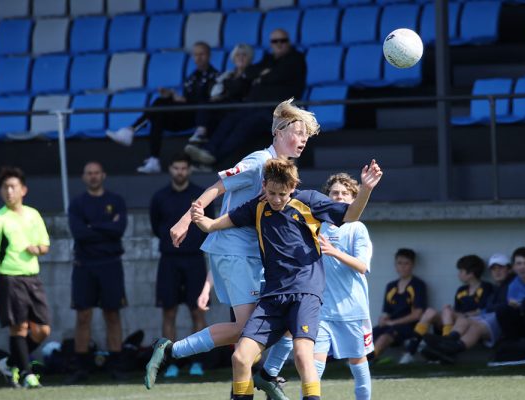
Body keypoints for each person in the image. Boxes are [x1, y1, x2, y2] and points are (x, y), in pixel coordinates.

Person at [144, 98, 320, 389]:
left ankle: (266, 374)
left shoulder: (281, 169)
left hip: (255, 255)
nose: (302, 140)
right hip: (234, 251)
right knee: (246, 330)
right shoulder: (257, 162)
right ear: (278, 132)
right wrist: (185, 220)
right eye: (298, 132)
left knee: (286, 316)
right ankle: (171, 349)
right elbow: (216, 187)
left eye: (306, 136)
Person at [189, 158, 383, 400]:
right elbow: (214, 224)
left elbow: (351, 215)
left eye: (283, 194)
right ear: (263, 186)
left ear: (293, 187)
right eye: (271, 193)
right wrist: (200, 219)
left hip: (305, 293)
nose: (277, 199)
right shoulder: (257, 206)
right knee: (240, 357)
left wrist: (366, 189)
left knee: (304, 356)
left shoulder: (309, 201)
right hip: (272, 296)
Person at [254, 172, 376, 400]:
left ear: (353, 198)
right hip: (321, 309)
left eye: (345, 193)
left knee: (358, 365)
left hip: (352, 311)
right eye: (334, 193)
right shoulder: (315, 223)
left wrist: (334, 252)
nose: (339, 197)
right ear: (327, 197)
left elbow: (362, 266)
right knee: (311, 364)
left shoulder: (356, 228)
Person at [184, 29, 307, 166]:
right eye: (275, 41)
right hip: (256, 106)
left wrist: (264, 76)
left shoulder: (296, 59)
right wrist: (264, 75)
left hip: (279, 112)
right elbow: (250, 71)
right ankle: (208, 151)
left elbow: (277, 76)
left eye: (282, 41)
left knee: (246, 123)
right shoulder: (269, 58)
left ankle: (214, 158)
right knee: (231, 117)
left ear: (288, 42)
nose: (279, 44)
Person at [107, 41, 219, 174]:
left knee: (160, 103)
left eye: (202, 54)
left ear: (209, 55)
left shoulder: (215, 76)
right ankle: (154, 160)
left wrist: (181, 99)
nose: (198, 58)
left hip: (199, 118)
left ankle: (130, 130)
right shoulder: (192, 77)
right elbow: (187, 99)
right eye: (195, 55)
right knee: (158, 112)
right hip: (184, 113)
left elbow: (208, 101)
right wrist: (172, 95)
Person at [149, 154, 214, 378]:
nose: (180, 172)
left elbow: (210, 225)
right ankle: (170, 363)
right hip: (169, 261)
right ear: (170, 170)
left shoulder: (200, 197)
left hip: (195, 259)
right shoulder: (159, 197)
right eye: (176, 167)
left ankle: (198, 362)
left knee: (198, 311)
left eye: (184, 168)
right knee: (169, 312)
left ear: (189, 170)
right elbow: (156, 226)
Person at [66, 161, 128, 383]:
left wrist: (93, 226)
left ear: (103, 175)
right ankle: (80, 367)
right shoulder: (76, 204)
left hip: (111, 264)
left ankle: (117, 365)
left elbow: (118, 230)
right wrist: (104, 227)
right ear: (84, 177)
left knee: (112, 314)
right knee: (83, 316)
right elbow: (79, 233)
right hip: (84, 266)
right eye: (89, 173)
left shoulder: (116, 201)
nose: (93, 176)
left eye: (96, 173)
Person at [0, 166, 51, 389]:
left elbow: (45, 245)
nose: (9, 191)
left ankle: (9, 362)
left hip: (32, 278)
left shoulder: (33, 215)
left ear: (23, 190)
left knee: (43, 330)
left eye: (13, 187)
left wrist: (37, 249)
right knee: (19, 327)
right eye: (5, 187)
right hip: (10, 278)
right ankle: (26, 374)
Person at [421, 253, 515, 364]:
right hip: (485, 319)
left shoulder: (511, 284)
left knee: (474, 326)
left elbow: (501, 307)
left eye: (501, 268)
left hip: (501, 322)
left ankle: (446, 348)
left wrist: (477, 312)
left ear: (509, 269)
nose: (497, 272)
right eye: (494, 269)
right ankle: (446, 343)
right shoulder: (497, 289)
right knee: (463, 320)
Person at [404, 254, 494, 360]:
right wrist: (452, 312)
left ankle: (445, 348)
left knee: (447, 311)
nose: (458, 274)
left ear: (471, 274)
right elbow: (457, 310)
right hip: (458, 323)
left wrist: (458, 314)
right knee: (430, 312)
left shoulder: (486, 288)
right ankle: (410, 351)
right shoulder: (461, 290)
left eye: (461, 271)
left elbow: (483, 311)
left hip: (472, 322)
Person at [371, 248, 427, 365]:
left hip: (409, 327)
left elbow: (417, 314)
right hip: (391, 325)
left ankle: (368, 361)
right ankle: (358, 361)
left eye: (406, 263)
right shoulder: (391, 286)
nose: (402, 267)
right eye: (399, 263)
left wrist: (394, 322)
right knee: (369, 335)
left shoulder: (418, 285)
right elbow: (386, 312)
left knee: (384, 337)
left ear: (413, 265)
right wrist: (383, 319)